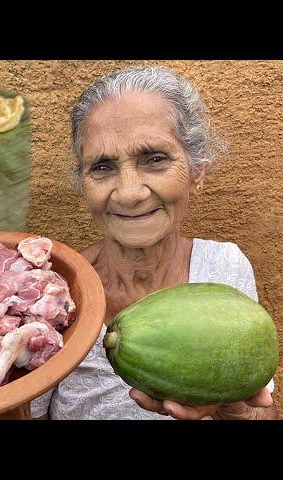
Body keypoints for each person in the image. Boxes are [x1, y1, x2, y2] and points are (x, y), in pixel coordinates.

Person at [29, 66, 278, 420]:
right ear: (83, 185)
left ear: (197, 172)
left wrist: (232, 408)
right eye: (102, 167)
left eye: (155, 159)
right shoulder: (56, 294)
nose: (129, 193)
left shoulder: (225, 267)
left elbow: (261, 410)